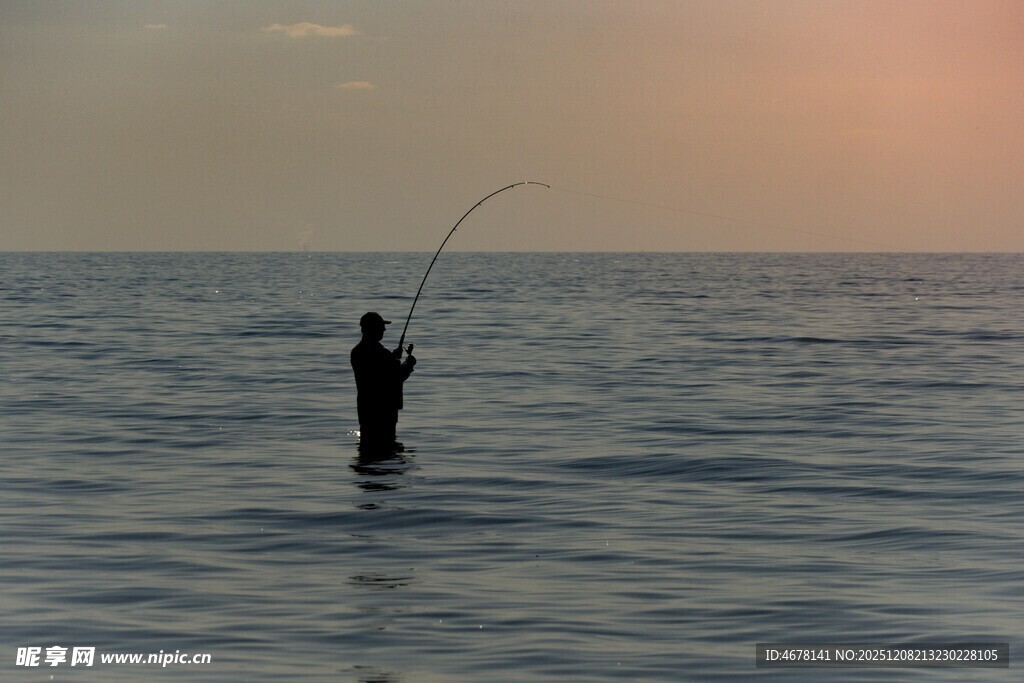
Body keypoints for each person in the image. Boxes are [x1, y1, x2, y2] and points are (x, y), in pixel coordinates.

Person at [350, 312, 416, 452]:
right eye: (381, 327)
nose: (384, 330)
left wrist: (392, 358)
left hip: (366, 409)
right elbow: (396, 377)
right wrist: (409, 364)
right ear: (372, 329)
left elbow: (375, 371)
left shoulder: (357, 351)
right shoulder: (380, 353)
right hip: (384, 411)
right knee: (386, 449)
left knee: (368, 449)